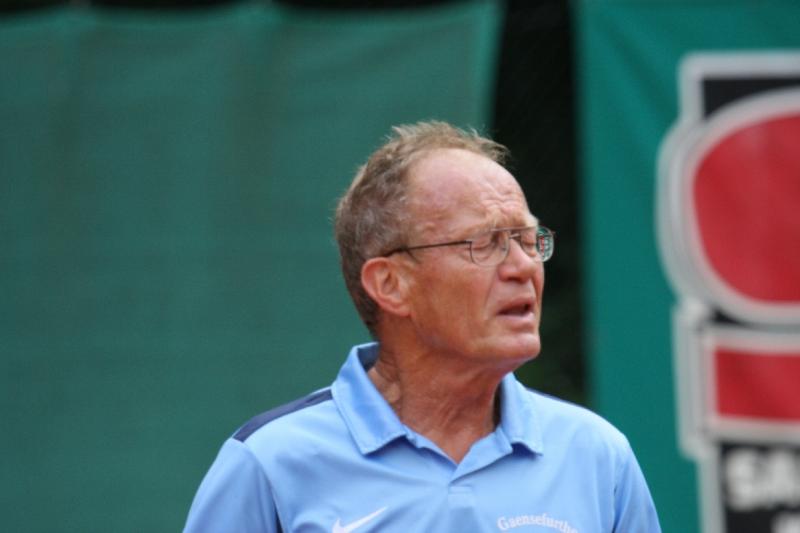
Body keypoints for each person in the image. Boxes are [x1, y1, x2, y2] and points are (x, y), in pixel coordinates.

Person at [183, 121, 662, 532]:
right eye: (485, 242)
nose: (523, 267)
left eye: (527, 239)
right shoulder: (269, 464)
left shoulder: (597, 456)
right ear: (390, 284)